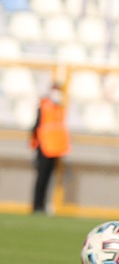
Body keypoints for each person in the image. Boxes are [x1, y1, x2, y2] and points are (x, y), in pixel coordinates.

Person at [30, 82, 70, 214]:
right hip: (44, 147)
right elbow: (36, 126)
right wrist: (35, 145)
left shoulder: (59, 108)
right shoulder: (45, 106)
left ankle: (43, 205)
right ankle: (37, 205)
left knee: (48, 178)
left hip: (55, 148)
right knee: (41, 178)